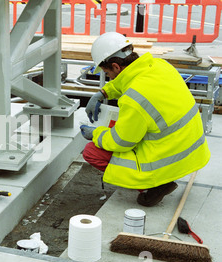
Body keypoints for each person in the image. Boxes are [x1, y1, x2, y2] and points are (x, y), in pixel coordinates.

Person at [80, 32, 210, 207]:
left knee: (92, 151)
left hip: (167, 160)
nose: (109, 77)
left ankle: (157, 185)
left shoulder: (134, 99)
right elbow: (128, 80)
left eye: (107, 72)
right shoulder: (159, 65)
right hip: (192, 153)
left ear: (116, 67)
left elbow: (121, 141)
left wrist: (97, 133)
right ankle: (161, 179)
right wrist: (103, 92)